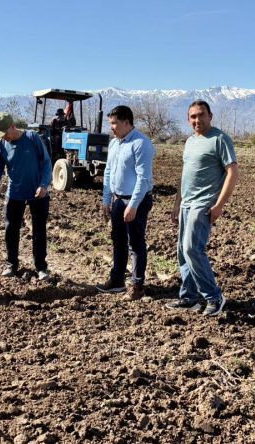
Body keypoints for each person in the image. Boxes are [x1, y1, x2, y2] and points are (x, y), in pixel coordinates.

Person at [166, 100, 238, 316]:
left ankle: (214, 297)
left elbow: (232, 173)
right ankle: (189, 297)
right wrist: (177, 204)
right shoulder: (190, 141)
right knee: (182, 251)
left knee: (192, 249)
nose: (197, 120)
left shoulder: (220, 139)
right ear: (188, 119)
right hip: (186, 203)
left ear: (210, 116)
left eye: (201, 115)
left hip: (203, 203)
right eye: (193, 116)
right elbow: (185, 176)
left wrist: (219, 205)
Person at [0, 112, 53, 280]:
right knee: (11, 230)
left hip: (38, 193)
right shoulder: (1, 145)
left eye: (5, 133)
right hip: (15, 193)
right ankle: (11, 264)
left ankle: (41, 267)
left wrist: (44, 185)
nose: (3, 137)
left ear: (13, 127)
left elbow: (47, 162)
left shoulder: (32, 138)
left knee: (39, 231)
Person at [95, 105, 156, 299]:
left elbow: (143, 178)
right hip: (118, 200)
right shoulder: (115, 143)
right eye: (110, 123)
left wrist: (133, 205)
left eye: (114, 123)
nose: (111, 127)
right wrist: (107, 199)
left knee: (135, 243)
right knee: (118, 240)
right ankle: (117, 280)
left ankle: (137, 286)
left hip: (136, 201)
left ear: (127, 122)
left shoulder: (141, 144)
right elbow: (108, 171)